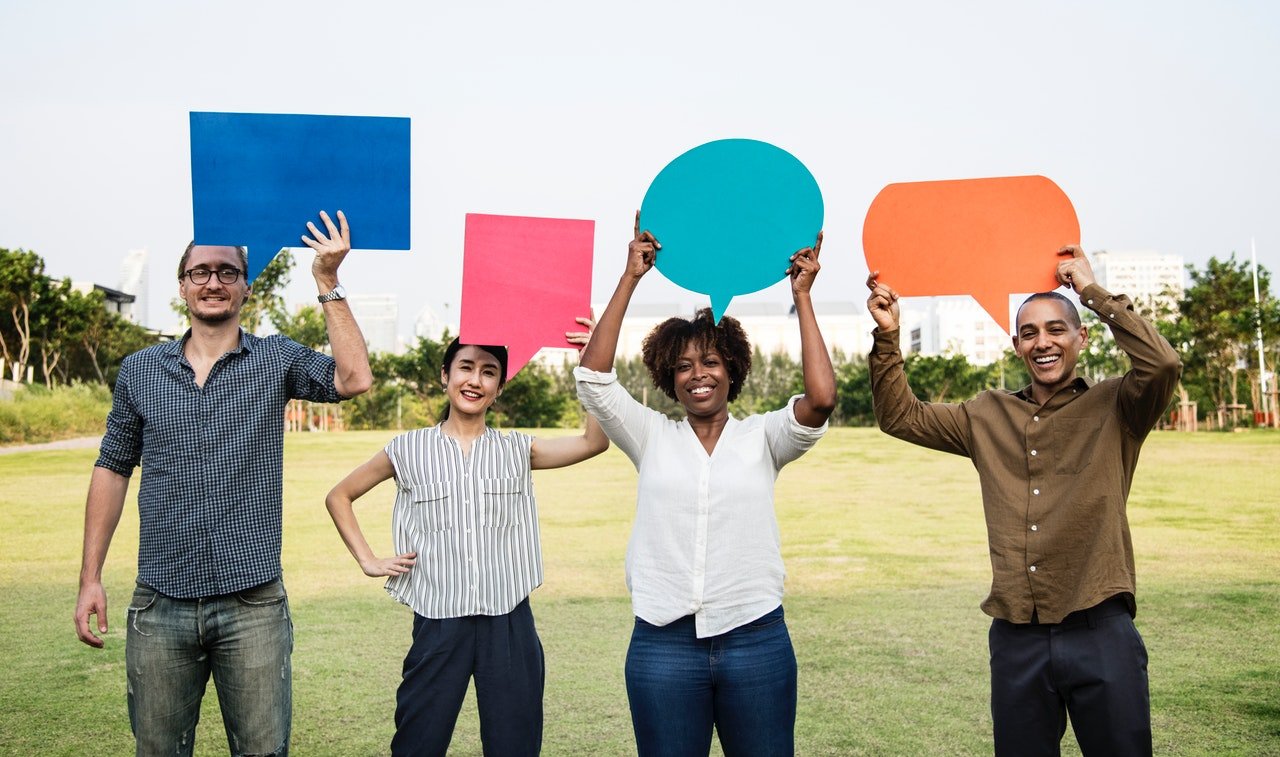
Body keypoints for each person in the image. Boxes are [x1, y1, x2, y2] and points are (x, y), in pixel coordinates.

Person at [74, 210, 373, 757]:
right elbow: (112, 468)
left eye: (227, 272)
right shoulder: (139, 371)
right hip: (160, 603)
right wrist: (90, 576)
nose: (214, 281)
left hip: (252, 604)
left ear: (246, 287)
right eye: (201, 272)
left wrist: (327, 280)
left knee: (262, 751)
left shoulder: (277, 358)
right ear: (183, 286)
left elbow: (354, 378)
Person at [865, 245, 1181, 756]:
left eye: (1057, 328)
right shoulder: (984, 415)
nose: (1044, 342)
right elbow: (901, 417)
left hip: (1100, 628)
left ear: (1080, 337)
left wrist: (1092, 292)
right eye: (1030, 333)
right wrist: (887, 335)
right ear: (1016, 345)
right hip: (1017, 639)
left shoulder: (1119, 404)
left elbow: (1163, 362)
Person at [574, 214, 836, 756]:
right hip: (662, 644)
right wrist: (630, 277)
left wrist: (802, 296)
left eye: (711, 362)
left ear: (732, 370)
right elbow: (594, 379)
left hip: (755, 638)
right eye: (684, 366)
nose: (699, 374)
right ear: (668, 378)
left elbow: (821, 399)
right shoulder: (649, 435)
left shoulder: (764, 437)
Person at [325, 328, 609, 757]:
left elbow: (594, 442)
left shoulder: (518, 449)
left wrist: (590, 363)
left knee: (515, 744)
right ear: (445, 376)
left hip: (509, 623)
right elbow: (339, 496)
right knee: (417, 743)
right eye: (466, 367)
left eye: (489, 372)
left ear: (499, 388)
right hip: (439, 623)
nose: (475, 380)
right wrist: (367, 559)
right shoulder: (407, 449)